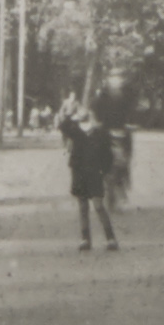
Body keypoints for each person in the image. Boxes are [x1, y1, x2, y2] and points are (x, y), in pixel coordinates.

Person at [64, 100, 120, 250]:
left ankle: (110, 238)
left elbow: (108, 155)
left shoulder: (100, 133)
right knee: (83, 207)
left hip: (95, 174)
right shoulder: (76, 132)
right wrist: (70, 113)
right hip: (79, 174)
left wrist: (104, 171)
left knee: (98, 206)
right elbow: (63, 127)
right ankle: (85, 239)